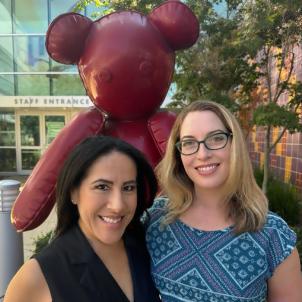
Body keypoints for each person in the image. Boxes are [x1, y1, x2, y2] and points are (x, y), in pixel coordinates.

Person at [145, 100, 302, 301]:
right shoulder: (155, 218)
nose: (203, 154)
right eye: (189, 143)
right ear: (178, 154)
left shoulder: (273, 236)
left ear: (234, 143)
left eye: (216, 139)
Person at [5, 136, 161, 302]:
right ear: (73, 192)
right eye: (102, 187)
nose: (118, 205)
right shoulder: (37, 276)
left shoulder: (148, 248)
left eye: (128, 188)